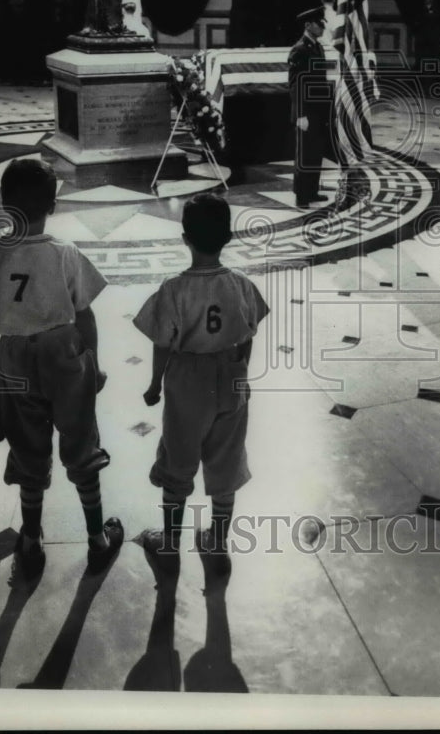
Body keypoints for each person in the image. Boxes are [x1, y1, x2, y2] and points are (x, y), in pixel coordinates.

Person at [0, 158, 123, 580]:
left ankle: (30, 543)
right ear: (53, 205)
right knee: (80, 442)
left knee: (28, 448)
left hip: (14, 357)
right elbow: (85, 317)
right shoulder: (66, 254)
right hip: (65, 357)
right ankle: (97, 540)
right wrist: (96, 365)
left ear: (2, 203)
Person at [133, 193, 269, 586]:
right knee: (226, 458)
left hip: (187, 382)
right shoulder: (241, 285)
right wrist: (239, 369)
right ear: (228, 236)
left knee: (179, 458)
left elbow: (161, 342)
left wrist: (155, 384)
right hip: (231, 376)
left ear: (184, 238)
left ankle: (170, 545)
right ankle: (218, 543)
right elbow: (249, 334)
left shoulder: (174, 290)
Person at [288, 5, 333, 209]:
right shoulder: (299, 49)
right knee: (304, 155)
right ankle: (302, 195)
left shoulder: (318, 47)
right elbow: (296, 85)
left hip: (318, 110)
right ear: (308, 25)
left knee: (315, 153)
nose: (322, 27)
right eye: (319, 23)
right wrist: (300, 114)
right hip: (306, 111)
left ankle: (312, 191)